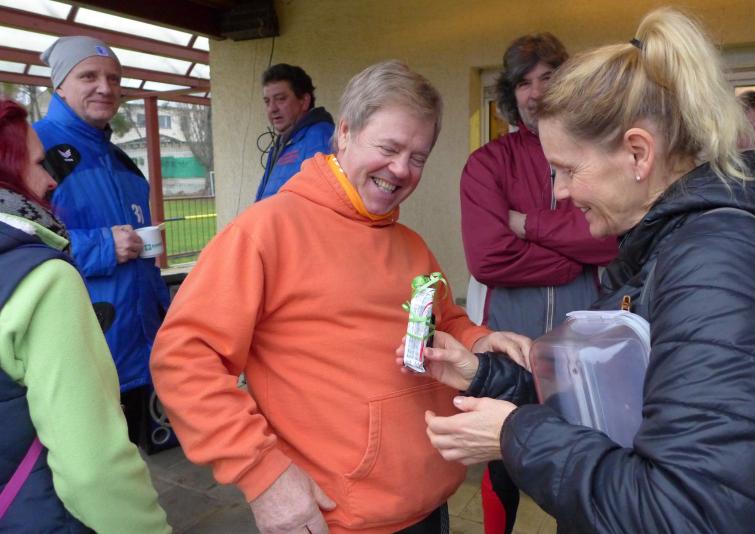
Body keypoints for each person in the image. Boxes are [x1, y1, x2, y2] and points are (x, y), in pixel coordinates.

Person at [411, 7, 755, 533]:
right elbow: (606, 400)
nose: (560, 192)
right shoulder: (667, 244)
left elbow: (683, 514)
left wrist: (515, 434)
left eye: (568, 169)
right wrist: (485, 376)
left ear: (638, 153)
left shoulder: (721, 263)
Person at [151, 60, 530, 534]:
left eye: (417, 158)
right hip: (338, 518)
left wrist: (478, 340)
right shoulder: (267, 230)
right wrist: (263, 476)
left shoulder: (410, 244)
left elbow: (444, 320)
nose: (401, 170)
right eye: (389, 148)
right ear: (345, 133)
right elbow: (183, 359)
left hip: (429, 504)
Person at [459, 33, 618, 534]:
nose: (537, 92)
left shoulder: (594, 157)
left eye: (548, 77)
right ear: (511, 95)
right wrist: (570, 259)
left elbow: (609, 241)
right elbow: (488, 258)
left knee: (578, 458)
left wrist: (526, 225)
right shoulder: (488, 163)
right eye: (524, 83)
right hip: (508, 341)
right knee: (500, 454)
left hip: (582, 346)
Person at [0, 98, 170, 532]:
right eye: (38, 164)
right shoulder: (43, 280)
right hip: (40, 512)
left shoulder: (119, 160)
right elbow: (94, 468)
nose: (50, 180)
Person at [33, 36, 171, 448]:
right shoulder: (34, 150)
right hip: (77, 354)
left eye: (113, 78)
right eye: (88, 76)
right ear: (59, 85)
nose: (105, 88)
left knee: (128, 466)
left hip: (136, 351)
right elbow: (17, 244)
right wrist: (103, 247)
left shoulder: (122, 161)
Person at [255, 63, 335, 201]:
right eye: (267, 101)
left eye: (281, 99)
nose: (272, 108)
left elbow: (323, 200)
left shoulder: (319, 137)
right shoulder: (283, 143)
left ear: (304, 101)